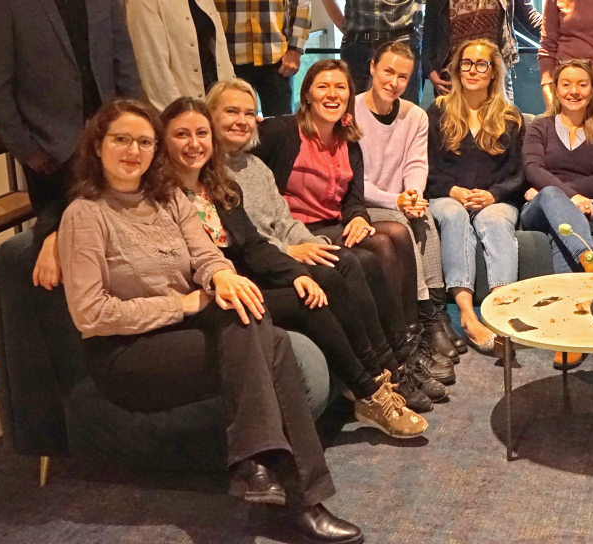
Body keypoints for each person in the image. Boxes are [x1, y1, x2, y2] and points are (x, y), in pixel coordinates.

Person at [56, 99, 362, 544]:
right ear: (97, 146)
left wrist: (222, 276)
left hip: (183, 335)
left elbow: (206, 255)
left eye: (144, 141)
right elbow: (92, 316)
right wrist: (184, 305)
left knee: (257, 321)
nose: (133, 150)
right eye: (121, 139)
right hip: (125, 355)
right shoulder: (85, 215)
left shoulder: (169, 201)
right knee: (262, 336)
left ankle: (259, 471)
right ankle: (295, 501)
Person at [160, 98, 426, 439]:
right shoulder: (163, 197)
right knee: (313, 295)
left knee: (325, 276)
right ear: (164, 141)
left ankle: (380, 375)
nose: (194, 143)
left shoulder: (220, 188)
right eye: (182, 134)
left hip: (248, 279)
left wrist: (296, 272)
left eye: (200, 133)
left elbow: (255, 245)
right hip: (210, 294)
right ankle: (369, 392)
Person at [207, 79, 441, 414]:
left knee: (357, 258)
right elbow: (247, 241)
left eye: (248, 112)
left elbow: (286, 219)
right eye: (231, 111)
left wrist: (311, 243)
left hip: (294, 241)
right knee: (344, 265)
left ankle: (398, 360)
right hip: (261, 261)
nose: (242, 120)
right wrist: (290, 252)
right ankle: (377, 375)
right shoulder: (216, 170)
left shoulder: (256, 166)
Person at [252, 61, 456, 402]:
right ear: (307, 94)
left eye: (340, 88)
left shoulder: (348, 140)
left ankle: (410, 342)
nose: (332, 94)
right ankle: (394, 361)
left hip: (333, 222)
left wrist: (358, 216)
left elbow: (352, 197)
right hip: (299, 229)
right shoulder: (282, 132)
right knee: (363, 258)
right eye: (323, 87)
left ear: (349, 97)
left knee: (394, 235)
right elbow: (240, 161)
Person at [0, 0, 142, 292]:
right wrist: (27, 149)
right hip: (51, 150)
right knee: (62, 249)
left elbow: (123, 61)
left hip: (108, 140)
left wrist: (135, 126)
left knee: (115, 243)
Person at [352, 41, 459, 361]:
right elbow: (355, 179)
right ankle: (424, 315)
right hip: (365, 201)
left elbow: (415, 164)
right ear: (372, 67)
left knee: (423, 215)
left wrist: (413, 195)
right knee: (401, 221)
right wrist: (396, 201)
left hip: (400, 198)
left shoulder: (414, 115)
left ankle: (437, 313)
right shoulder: (351, 110)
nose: (393, 82)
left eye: (402, 76)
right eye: (388, 71)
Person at [427, 39, 524, 355]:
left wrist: (493, 195)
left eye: (481, 64)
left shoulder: (510, 116)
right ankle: (468, 316)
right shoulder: (438, 111)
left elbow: (519, 175)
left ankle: (501, 317)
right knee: (454, 215)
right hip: (447, 197)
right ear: (457, 68)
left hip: (494, 201)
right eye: (466, 63)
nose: (473, 70)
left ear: (494, 72)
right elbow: (425, 168)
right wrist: (453, 191)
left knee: (496, 223)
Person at [522, 59, 593, 371]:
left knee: (560, 229)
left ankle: (568, 336)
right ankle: (589, 259)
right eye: (566, 84)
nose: (573, 91)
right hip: (541, 206)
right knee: (551, 197)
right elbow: (532, 168)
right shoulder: (539, 126)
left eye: (582, 84)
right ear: (555, 89)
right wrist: (568, 194)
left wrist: (568, 194)